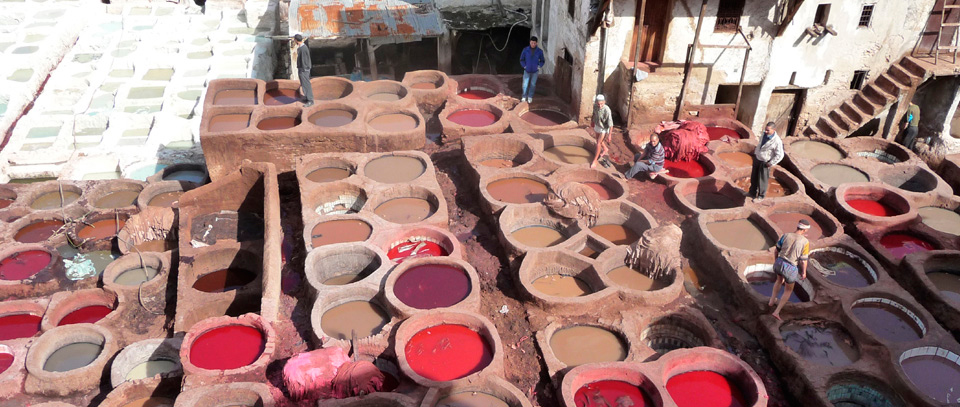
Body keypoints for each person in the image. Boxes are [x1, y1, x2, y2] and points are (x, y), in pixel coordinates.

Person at [768, 220, 812, 320]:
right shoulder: (805, 242)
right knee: (788, 290)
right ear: (805, 230)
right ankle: (776, 312)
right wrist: (804, 272)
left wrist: (776, 261)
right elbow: (803, 260)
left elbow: (776, 251)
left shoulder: (786, 235)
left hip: (779, 262)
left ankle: (771, 301)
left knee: (779, 280)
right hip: (790, 268)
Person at [748, 122, 784, 203]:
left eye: (768, 130)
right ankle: (752, 193)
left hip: (765, 162)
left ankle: (761, 196)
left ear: (774, 130)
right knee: (754, 177)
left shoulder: (777, 141)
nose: (766, 131)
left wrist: (770, 163)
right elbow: (760, 144)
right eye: (765, 129)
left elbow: (780, 155)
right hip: (758, 158)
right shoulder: (764, 134)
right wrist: (756, 154)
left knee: (762, 180)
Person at [590, 94, 614, 168]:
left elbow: (611, 124)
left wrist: (609, 135)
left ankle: (595, 160)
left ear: (604, 102)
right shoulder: (595, 106)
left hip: (604, 128)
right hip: (598, 125)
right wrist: (592, 121)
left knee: (598, 143)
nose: (600, 106)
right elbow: (594, 114)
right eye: (598, 104)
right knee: (598, 140)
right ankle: (605, 149)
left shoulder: (607, 110)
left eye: (601, 104)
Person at [519, 36, 545, 103]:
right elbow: (521, 59)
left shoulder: (540, 51)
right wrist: (524, 66)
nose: (533, 44)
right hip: (527, 70)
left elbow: (542, 61)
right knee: (525, 84)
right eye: (532, 43)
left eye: (534, 43)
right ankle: (524, 96)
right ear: (530, 42)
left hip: (535, 71)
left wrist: (539, 66)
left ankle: (530, 96)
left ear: (536, 43)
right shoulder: (525, 50)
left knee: (533, 84)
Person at [293, 33, 314, 107]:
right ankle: (307, 97)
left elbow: (304, 60)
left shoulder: (303, 49)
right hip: (303, 69)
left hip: (304, 70)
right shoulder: (302, 47)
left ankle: (310, 100)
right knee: (304, 84)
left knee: (306, 84)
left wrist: (303, 70)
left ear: (296, 40)